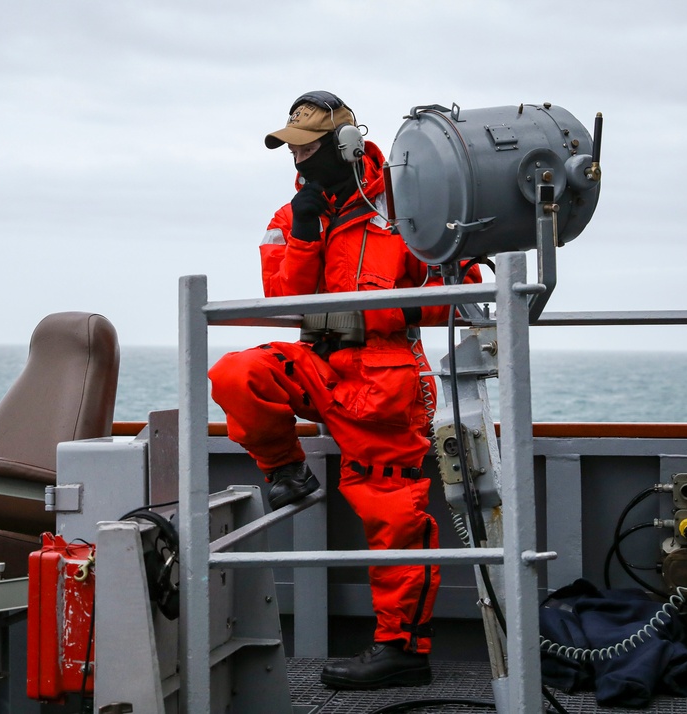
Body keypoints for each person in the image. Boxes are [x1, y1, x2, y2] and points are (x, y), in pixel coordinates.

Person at [208, 91, 481, 690]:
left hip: (384, 377)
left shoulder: (409, 205)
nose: (298, 160)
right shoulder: (290, 216)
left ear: (346, 145)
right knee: (234, 373)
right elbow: (283, 305)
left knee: (393, 513)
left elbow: (460, 299)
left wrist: (412, 289)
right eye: (291, 149)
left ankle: (401, 651)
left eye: (307, 148)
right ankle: (286, 470)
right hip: (316, 361)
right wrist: (307, 230)